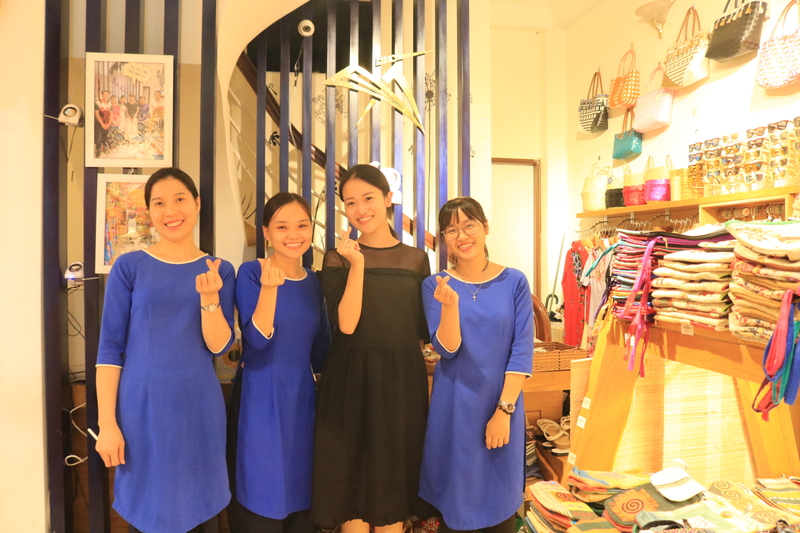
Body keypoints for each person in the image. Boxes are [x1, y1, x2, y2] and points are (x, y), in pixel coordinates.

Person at [95, 167, 235, 533]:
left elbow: (219, 345)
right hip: (141, 409)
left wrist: (209, 297)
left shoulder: (220, 269)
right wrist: (107, 424)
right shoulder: (129, 267)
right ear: (149, 212)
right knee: (149, 510)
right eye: (159, 203)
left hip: (198, 407)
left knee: (200, 509)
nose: (170, 210)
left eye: (180, 199)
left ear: (197, 204)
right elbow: (109, 350)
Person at [313, 164, 432, 533]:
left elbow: (420, 333)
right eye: (351, 202)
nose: (360, 209)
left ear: (388, 198)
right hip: (349, 384)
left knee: (391, 489)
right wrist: (358, 264)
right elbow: (346, 324)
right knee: (351, 490)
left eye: (368, 198)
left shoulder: (416, 259)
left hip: (400, 386)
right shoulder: (337, 257)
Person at [419, 197, 534, 533]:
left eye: (469, 225)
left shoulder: (514, 281)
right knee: (456, 506)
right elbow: (447, 350)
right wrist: (449, 307)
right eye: (451, 230)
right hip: (455, 409)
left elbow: (521, 349)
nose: (462, 235)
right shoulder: (435, 285)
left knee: (500, 506)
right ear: (444, 239)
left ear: (485, 228)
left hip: (502, 404)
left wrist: (504, 411)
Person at [228, 192, 331, 533]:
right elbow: (256, 342)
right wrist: (270, 289)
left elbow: (322, 350)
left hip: (302, 399)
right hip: (259, 396)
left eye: (302, 225)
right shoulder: (251, 273)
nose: (293, 234)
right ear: (266, 232)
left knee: (301, 496)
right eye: (282, 226)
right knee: (261, 492)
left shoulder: (313, 282)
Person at [94, 89, 111, 157]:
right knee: (99, 137)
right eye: (105, 94)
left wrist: (108, 124)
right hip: (99, 123)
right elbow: (97, 115)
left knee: (105, 136)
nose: (106, 96)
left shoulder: (109, 104)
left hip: (107, 124)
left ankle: (105, 148)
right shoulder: (98, 103)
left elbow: (111, 115)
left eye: (107, 95)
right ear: (102, 95)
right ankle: (98, 150)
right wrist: (102, 124)